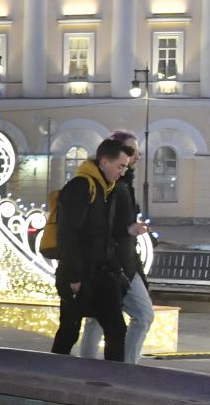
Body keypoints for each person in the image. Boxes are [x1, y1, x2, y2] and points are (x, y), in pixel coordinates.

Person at [51, 138, 131, 361]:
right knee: (69, 330)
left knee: (115, 330)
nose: (122, 172)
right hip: (80, 274)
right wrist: (74, 275)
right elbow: (67, 234)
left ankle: (109, 382)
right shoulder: (81, 186)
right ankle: (53, 376)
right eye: (120, 166)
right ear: (105, 161)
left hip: (101, 274)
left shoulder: (106, 189)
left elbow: (102, 235)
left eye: (125, 167)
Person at [79, 131, 155, 362]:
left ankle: (90, 368)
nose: (136, 156)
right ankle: (125, 369)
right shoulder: (114, 186)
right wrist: (128, 230)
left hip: (119, 262)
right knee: (142, 315)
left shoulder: (121, 184)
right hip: (117, 264)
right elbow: (103, 226)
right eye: (131, 151)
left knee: (98, 319)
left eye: (136, 151)